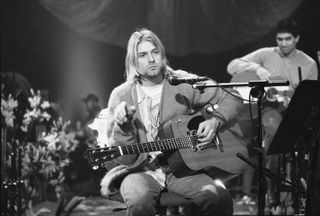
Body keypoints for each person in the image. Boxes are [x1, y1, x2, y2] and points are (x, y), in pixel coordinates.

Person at [99, 28, 244, 216]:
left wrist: (215, 122)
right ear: (133, 60)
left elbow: (233, 97)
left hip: (183, 171)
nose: (151, 59)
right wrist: (124, 128)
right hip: (139, 171)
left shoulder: (182, 82)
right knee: (139, 202)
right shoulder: (121, 95)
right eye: (142, 55)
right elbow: (124, 159)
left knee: (220, 199)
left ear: (162, 54)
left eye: (155, 52)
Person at [227, 19, 318, 209]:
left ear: (297, 38)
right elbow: (232, 66)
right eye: (279, 39)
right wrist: (257, 68)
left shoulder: (308, 63)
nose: (283, 43)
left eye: (288, 39)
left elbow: (312, 98)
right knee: (274, 131)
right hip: (270, 111)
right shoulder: (266, 54)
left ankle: (301, 194)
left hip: (298, 114)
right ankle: (272, 195)